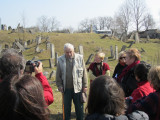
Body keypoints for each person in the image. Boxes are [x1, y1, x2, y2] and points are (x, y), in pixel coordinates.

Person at [56, 43, 88, 120]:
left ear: (73, 50)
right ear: (64, 52)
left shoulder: (80, 58)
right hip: (66, 89)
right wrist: (59, 85)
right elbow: (58, 75)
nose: (69, 54)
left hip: (78, 88)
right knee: (66, 109)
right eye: (67, 52)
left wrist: (85, 85)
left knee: (79, 109)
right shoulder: (60, 60)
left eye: (70, 51)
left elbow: (84, 72)